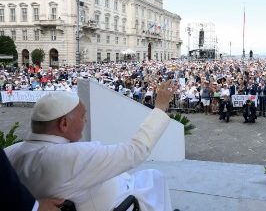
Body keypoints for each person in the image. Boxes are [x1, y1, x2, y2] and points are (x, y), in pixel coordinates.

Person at [6, 80, 178, 211]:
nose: (86, 120)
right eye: (83, 116)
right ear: (64, 124)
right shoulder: (72, 156)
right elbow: (135, 151)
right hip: (115, 202)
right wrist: (160, 107)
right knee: (154, 177)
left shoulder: (9, 153)